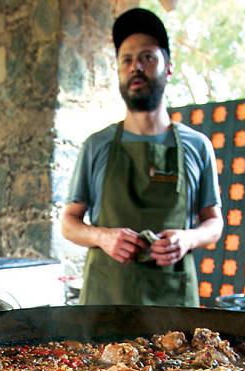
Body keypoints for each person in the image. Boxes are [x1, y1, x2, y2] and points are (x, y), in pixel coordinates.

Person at [61, 8, 223, 306]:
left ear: (168, 67)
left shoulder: (197, 146)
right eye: (127, 60)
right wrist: (102, 237)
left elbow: (214, 223)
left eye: (147, 57)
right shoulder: (97, 145)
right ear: (120, 72)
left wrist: (187, 239)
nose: (136, 66)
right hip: (106, 299)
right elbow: (69, 223)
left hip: (172, 298)